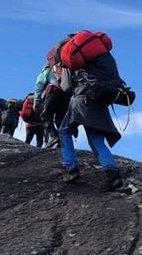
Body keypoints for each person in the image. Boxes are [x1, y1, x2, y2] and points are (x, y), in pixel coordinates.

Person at [58, 51, 126, 192]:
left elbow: (66, 87)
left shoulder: (69, 58)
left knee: (64, 131)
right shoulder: (99, 56)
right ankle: (113, 175)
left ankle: (72, 170)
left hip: (82, 99)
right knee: (96, 139)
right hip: (100, 97)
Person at [34, 62, 69, 148]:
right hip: (66, 94)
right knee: (60, 119)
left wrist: (36, 101)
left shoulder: (45, 72)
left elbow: (39, 86)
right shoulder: (63, 71)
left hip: (53, 92)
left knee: (45, 116)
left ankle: (54, 136)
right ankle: (63, 141)